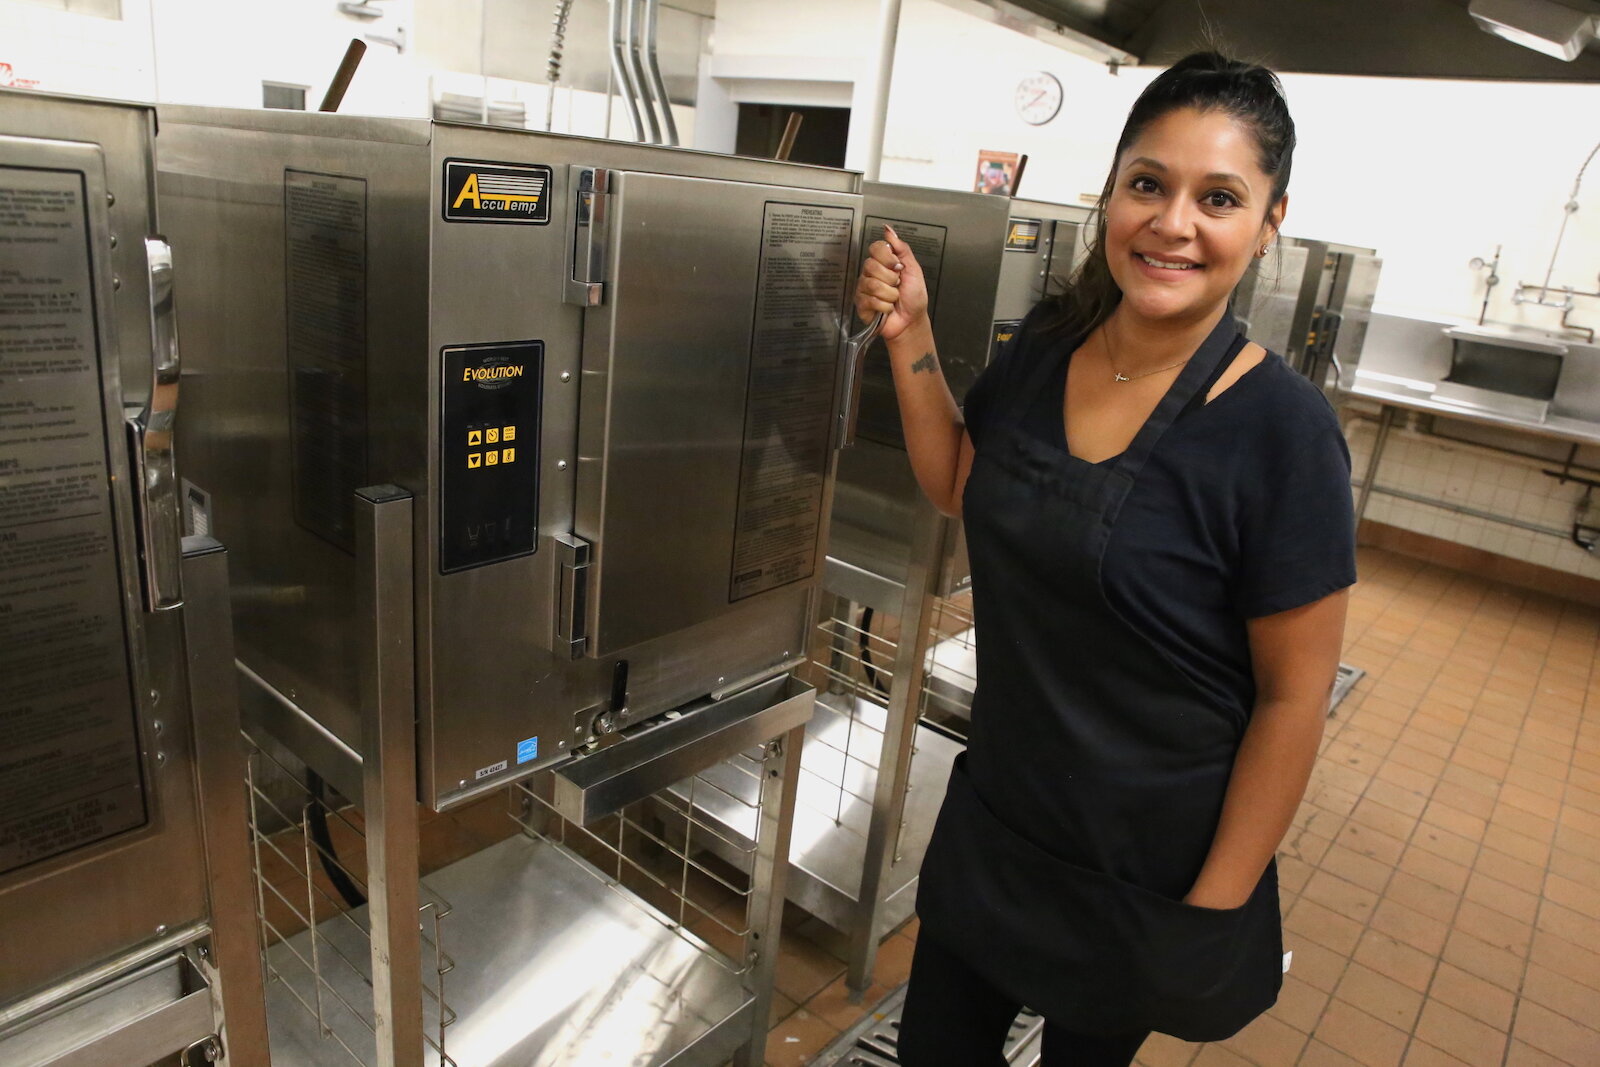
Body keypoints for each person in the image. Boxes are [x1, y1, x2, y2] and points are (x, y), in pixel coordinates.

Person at [853, 52, 1356, 1065]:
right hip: (1001, 815)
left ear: (1268, 222)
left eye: (1218, 197)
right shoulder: (1049, 343)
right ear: (1112, 193)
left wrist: (1209, 909)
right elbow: (959, 481)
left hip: (1144, 867)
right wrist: (907, 336)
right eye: (1148, 184)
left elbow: (1291, 696)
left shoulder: (1283, 435)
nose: (1172, 222)